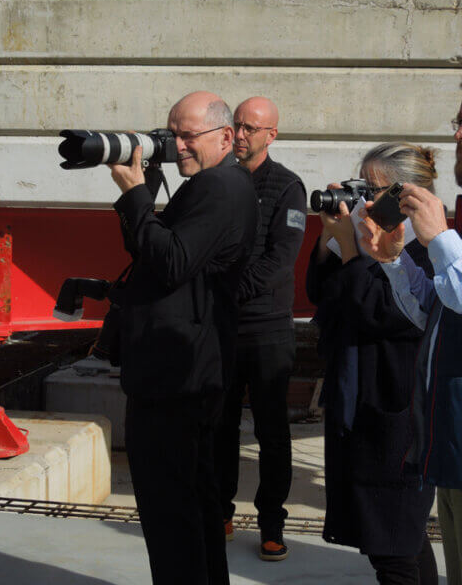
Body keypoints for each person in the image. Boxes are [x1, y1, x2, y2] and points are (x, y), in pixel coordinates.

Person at [108, 91, 258, 585]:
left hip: (178, 377)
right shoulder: (214, 184)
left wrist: (135, 198)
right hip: (187, 370)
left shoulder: (220, 188)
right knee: (194, 506)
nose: (178, 145)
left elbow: (171, 262)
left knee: (171, 513)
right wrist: (145, 188)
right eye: (172, 133)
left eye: (188, 135)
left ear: (226, 137)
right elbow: (157, 252)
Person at [306, 142, 439, 585]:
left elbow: (380, 313)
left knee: (393, 542)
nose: (364, 199)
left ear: (408, 192)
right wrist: (332, 239)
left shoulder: (423, 244)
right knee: (400, 538)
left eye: (375, 188)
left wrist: (351, 252)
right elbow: (320, 294)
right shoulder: (365, 233)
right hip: (359, 399)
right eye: (360, 185)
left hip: (396, 406)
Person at [360, 103, 462, 585]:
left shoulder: (444, 227)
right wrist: (395, 261)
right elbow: (437, 311)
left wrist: (439, 240)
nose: (456, 136)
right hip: (448, 435)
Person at [213, 96, 306, 560]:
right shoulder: (216, 181)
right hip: (222, 329)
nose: (242, 134)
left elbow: (281, 258)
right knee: (221, 426)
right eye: (238, 125)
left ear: (272, 134)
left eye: (252, 128)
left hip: (267, 329)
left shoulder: (289, 188)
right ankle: (220, 513)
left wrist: (227, 292)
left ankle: (272, 524)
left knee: (272, 432)